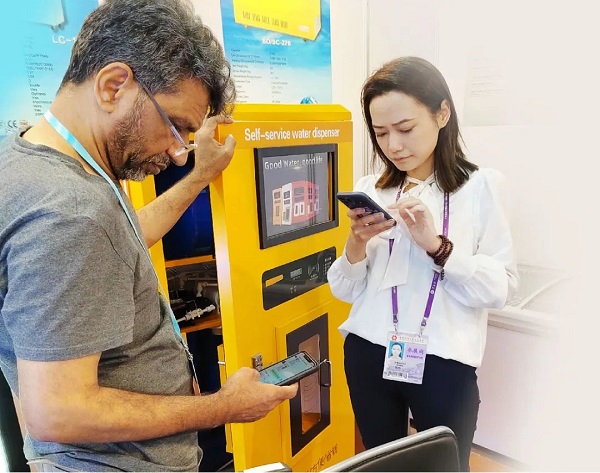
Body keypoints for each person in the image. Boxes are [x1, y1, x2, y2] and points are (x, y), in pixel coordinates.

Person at [0, 1, 298, 471]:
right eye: (176, 127)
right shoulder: (71, 211)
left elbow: (115, 245)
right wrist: (224, 406)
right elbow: (58, 411)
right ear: (114, 85)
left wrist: (200, 176)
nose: (178, 153)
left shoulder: (35, 161)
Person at [327, 56, 518, 471]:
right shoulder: (371, 189)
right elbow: (344, 289)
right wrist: (356, 243)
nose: (393, 145)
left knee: (446, 465)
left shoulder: (480, 188)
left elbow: (501, 288)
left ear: (442, 113)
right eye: (381, 133)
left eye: (405, 128)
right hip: (368, 351)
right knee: (381, 464)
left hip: (443, 361)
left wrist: (437, 247)